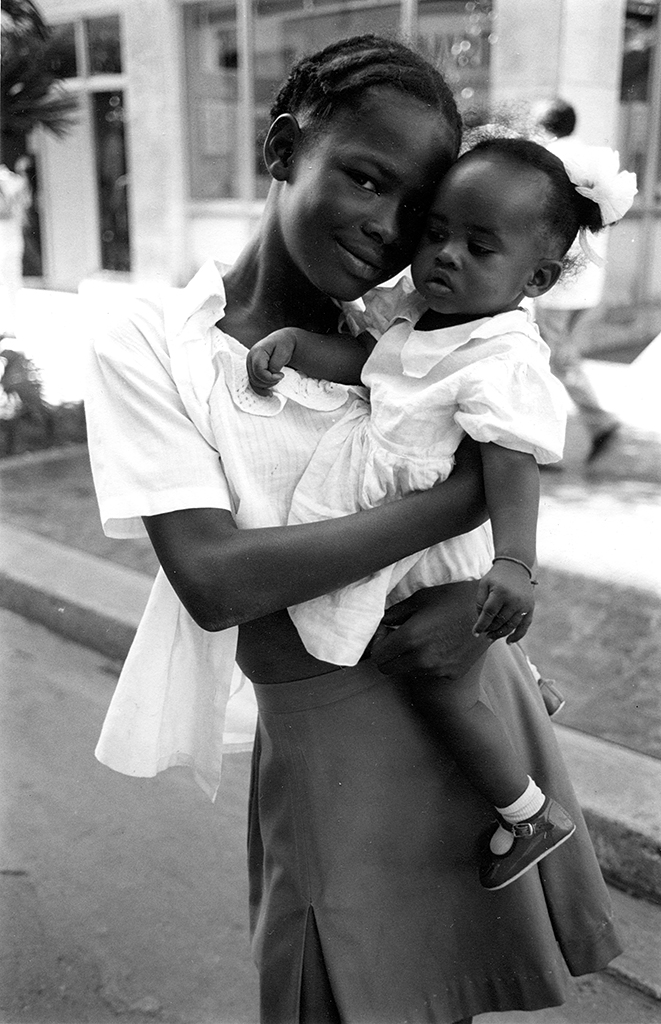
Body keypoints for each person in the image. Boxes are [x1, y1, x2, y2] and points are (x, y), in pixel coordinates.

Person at [85, 36, 622, 1024]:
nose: (390, 230)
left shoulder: (418, 326)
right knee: (329, 989)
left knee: (446, 993)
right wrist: (458, 501)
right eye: (365, 178)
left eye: (413, 211)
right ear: (286, 146)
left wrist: (485, 589)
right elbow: (217, 579)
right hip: (327, 741)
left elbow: (505, 457)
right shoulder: (151, 342)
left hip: (462, 698)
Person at [246, 135, 637, 892]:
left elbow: (511, 468)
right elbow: (368, 371)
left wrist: (515, 563)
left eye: (478, 246)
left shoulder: (503, 355)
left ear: (538, 276)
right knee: (418, 649)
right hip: (396, 526)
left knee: (438, 686)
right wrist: (295, 346)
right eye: (437, 233)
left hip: (434, 546)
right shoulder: (421, 317)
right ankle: (520, 679)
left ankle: (527, 812)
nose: (446, 255)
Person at [534, 98, 637, 466]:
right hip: (585, 283)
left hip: (555, 285)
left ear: (544, 125)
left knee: (553, 361)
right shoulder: (594, 160)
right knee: (553, 359)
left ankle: (597, 423)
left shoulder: (547, 160)